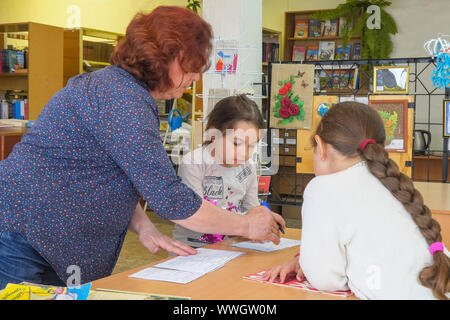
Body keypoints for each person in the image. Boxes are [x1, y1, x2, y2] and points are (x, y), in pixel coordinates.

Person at [0, 6, 285, 290]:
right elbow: (171, 199)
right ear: (165, 58)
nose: (195, 77)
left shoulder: (119, 91)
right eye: (191, 66)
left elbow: (114, 171)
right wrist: (246, 226)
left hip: (46, 238)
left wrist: (142, 225)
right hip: (26, 235)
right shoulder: (123, 101)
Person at [263, 102, 450, 300]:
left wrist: (318, 267)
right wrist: (306, 261)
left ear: (320, 146)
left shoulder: (321, 188)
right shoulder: (394, 183)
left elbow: (325, 279)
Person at [173, 95, 263, 247]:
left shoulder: (248, 168)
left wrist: (263, 218)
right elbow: (195, 214)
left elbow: (251, 208)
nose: (244, 153)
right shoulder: (194, 163)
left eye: (251, 146)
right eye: (237, 143)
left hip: (231, 247)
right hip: (192, 250)